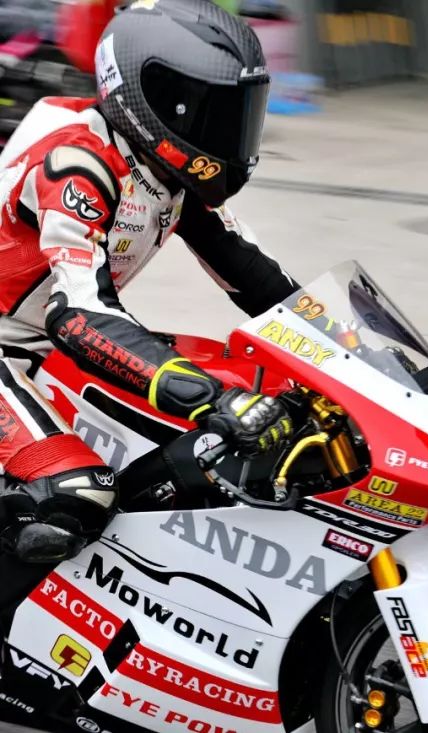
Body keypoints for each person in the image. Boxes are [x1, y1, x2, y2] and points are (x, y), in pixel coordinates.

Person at [0, 0, 296, 562]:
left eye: (239, 114)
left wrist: (349, 356)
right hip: (12, 349)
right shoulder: (78, 164)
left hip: (37, 351)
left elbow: (257, 277)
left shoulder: (169, 175)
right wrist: (212, 399)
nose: (230, 134)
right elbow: (78, 313)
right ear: (154, 103)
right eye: (211, 114)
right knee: (77, 493)